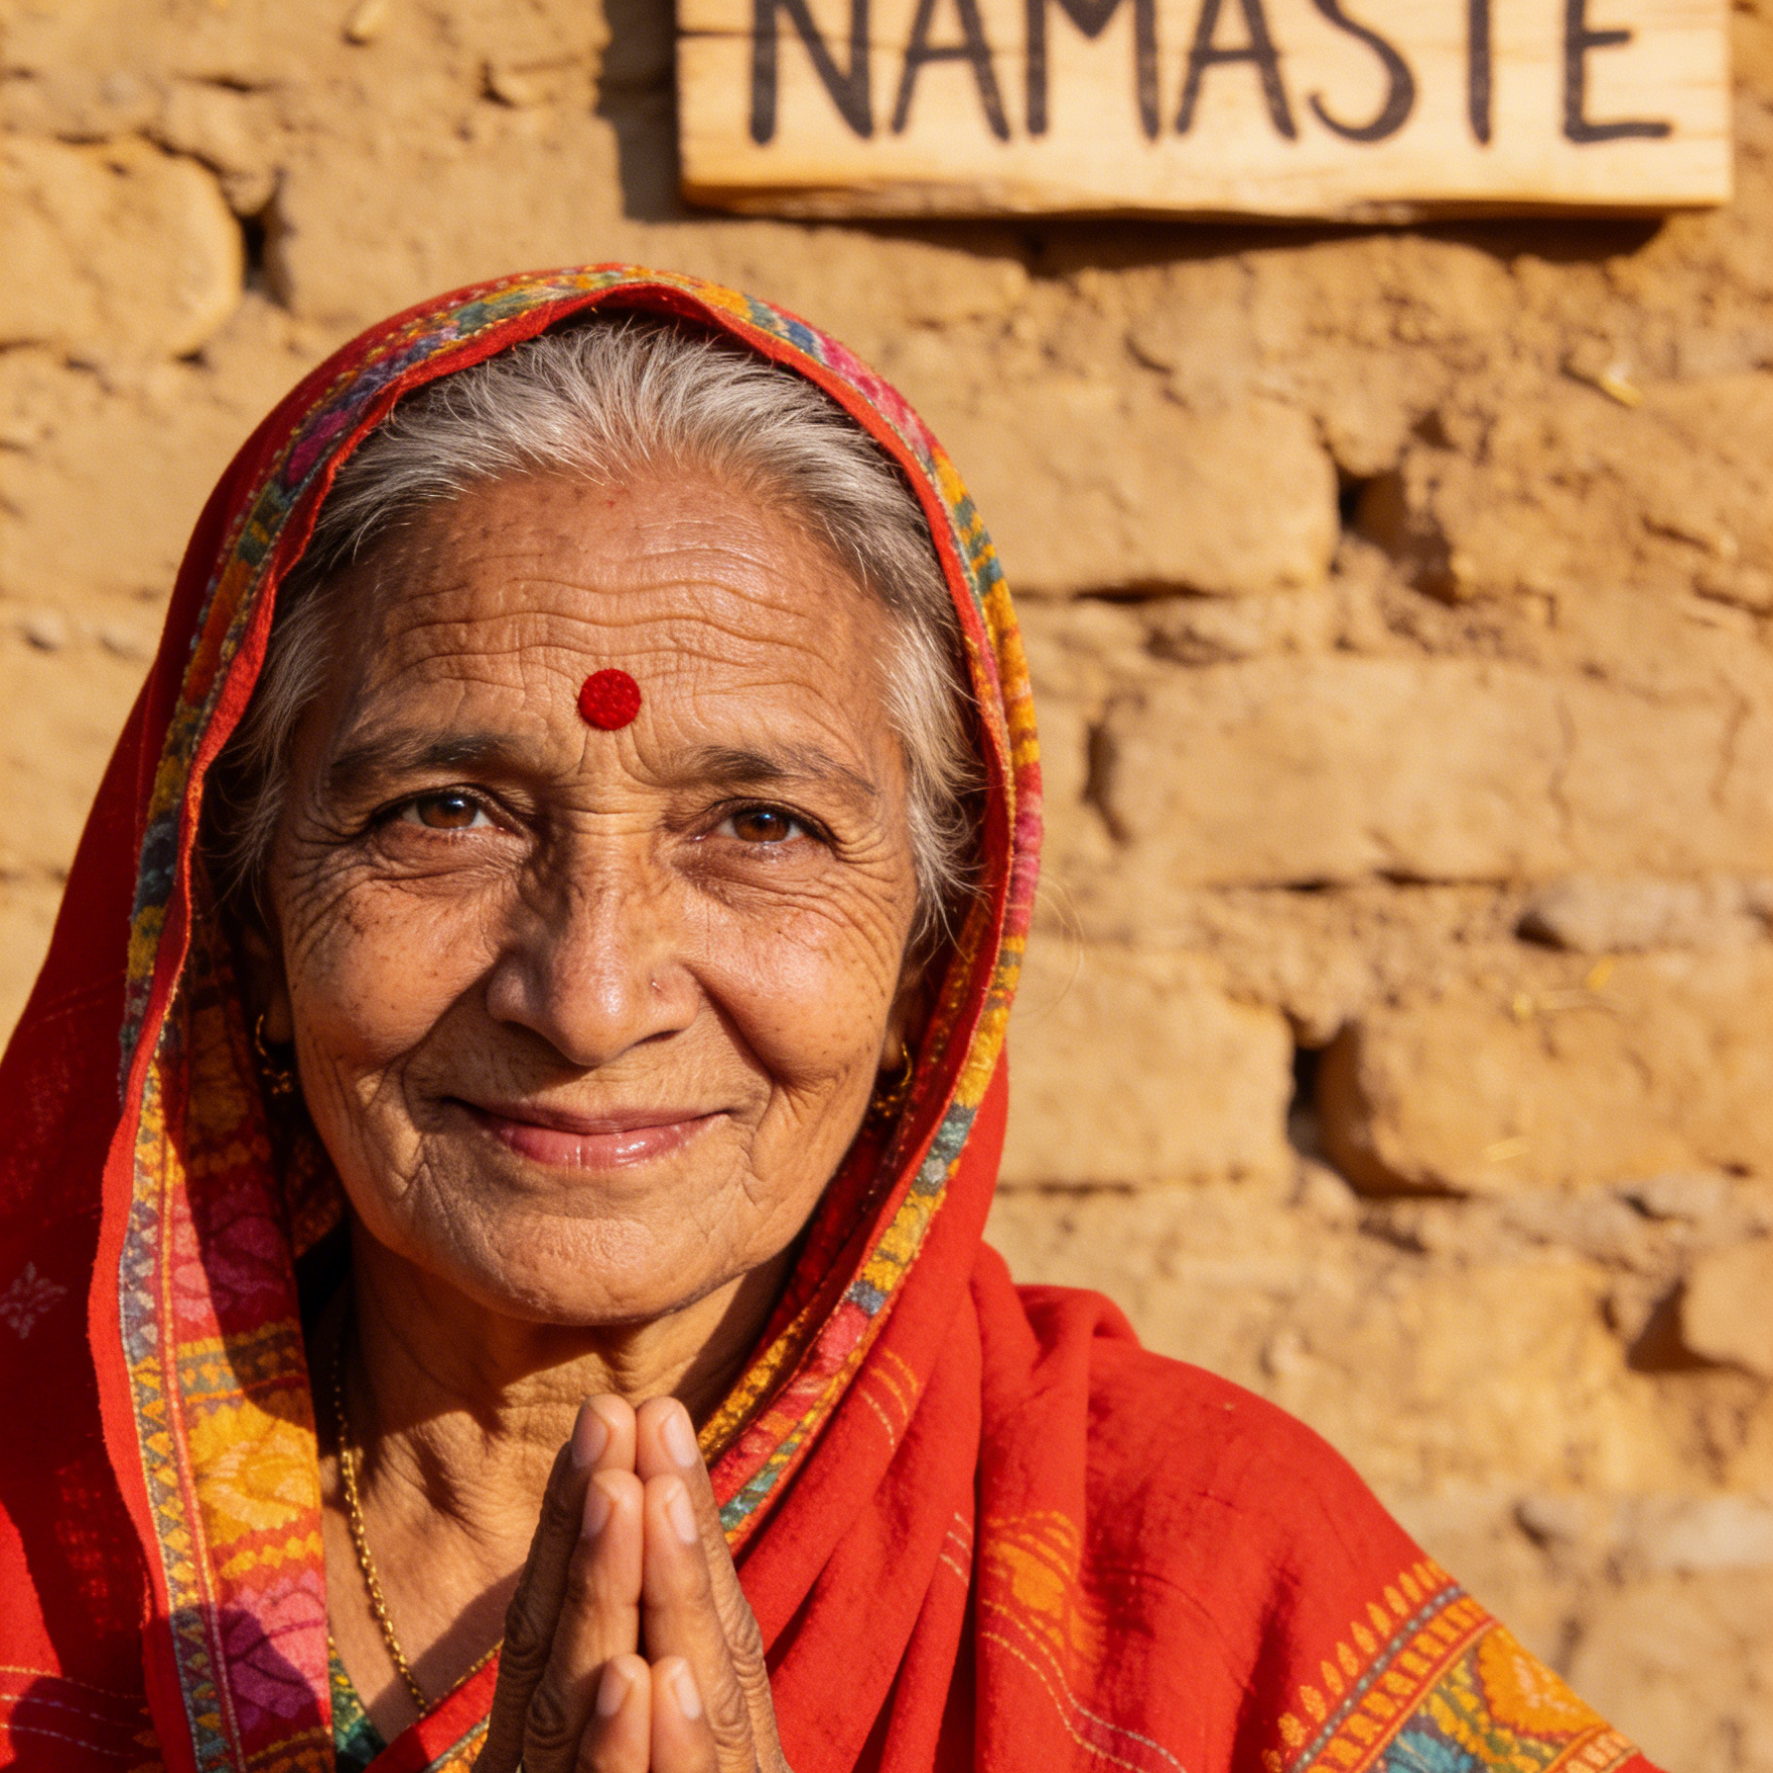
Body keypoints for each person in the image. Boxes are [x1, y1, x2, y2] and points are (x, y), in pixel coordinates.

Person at [0, 268, 1660, 1773]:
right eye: (445, 812)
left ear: (934, 967)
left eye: (761, 828)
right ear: (249, 927)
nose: (589, 997)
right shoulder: (34, 1533)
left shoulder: (1199, 1581)